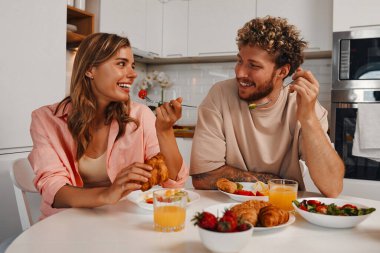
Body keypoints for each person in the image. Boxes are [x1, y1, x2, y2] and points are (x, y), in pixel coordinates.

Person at [28, 33, 189, 219]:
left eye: (132, 65)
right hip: (67, 222)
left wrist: (165, 130)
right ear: (90, 69)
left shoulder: (140, 116)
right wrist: (107, 194)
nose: (133, 73)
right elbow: (52, 189)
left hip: (122, 220)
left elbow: (175, 182)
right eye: (121, 64)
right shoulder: (46, 119)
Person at [190, 16, 344, 197]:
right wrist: (276, 181)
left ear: (282, 71)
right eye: (239, 60)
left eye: (253, 66)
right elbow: (203, 177)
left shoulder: (302, 104)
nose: (240, 72)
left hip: (284, 210)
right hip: (227, 210)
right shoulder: (220, 95)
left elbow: (333, 187)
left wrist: (308, 119)